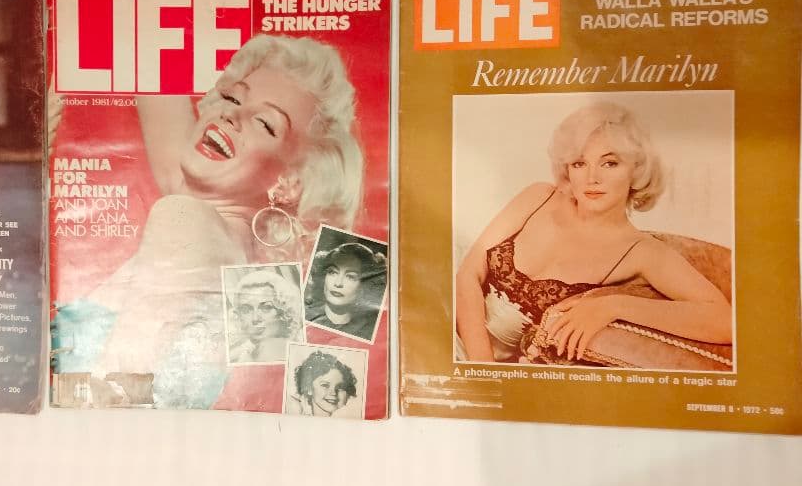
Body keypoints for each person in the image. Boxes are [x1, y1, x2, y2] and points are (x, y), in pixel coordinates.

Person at [52, 34, 364, 407]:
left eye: (264, 123)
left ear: (289, 181)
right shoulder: (243, 258)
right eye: (232, 97)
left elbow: (109, 398)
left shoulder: (187, 222)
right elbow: (150, 54)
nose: (230, 114)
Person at [455, 101, 732, 363]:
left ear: (636, 170)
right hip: (449, 328)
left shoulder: (642, 251)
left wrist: (616, 306)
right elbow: (468, 272)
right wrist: (482, 367)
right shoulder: (539, 196)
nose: (592, 178)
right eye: (579, 163)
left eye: (609, 163)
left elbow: (724, 322)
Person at [305, 240, 386, 340]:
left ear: (364, 286)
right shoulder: (302, 316)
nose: (338, 283)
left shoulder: (370, 332)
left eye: (350, 277)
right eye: (333, 272)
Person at [226, 268, 304, 364]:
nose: (255, 319)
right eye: (246, 310)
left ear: (285, 313)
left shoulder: (299, 354)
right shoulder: (239, 358)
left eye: (266, 308)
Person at [287, 350, 358, 417]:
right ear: (309, 388)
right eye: (325, 385)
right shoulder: (296, 412)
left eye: (340, 387)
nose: (333, 393)